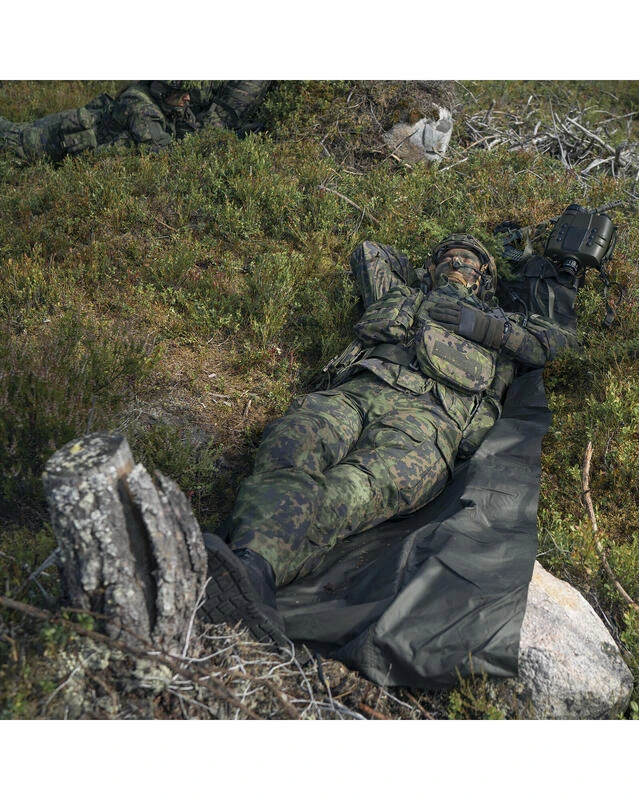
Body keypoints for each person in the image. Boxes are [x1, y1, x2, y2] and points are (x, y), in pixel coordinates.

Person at [200, 232, 580, 644]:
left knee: (352, 490)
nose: (457, 265)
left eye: (469, 263)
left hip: (427, 424)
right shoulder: (402, 295)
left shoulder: (503, 326)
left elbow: (561, 342)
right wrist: (422, 277)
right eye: (449, 258)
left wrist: (487, 327)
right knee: (292, 442)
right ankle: (250, 569)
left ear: (484, 280)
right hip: (356, 393)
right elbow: (369, 252)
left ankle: (253, 566)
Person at [0, 80, 272, 162]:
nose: (187, 99)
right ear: (163, 92)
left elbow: (186, 129)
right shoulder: (141, 108)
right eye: (181, 94)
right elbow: (165, 155)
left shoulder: (165, 103)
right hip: (31, 143)